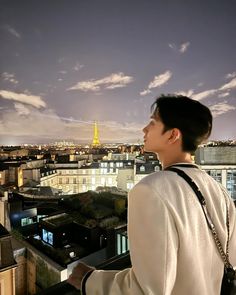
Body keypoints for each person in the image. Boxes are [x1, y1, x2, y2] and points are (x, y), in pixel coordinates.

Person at [68, 94, 236, 294]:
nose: (144, 129)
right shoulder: (219, 191)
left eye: (153, 123)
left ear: (173, 135)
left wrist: (89, 280)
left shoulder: (150, 190)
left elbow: (147, 290)